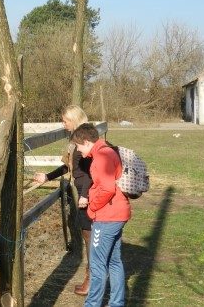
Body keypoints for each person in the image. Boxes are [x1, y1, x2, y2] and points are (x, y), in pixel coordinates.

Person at [32, 105, 92, 295]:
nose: (63, 123)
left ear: (74, 120)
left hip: (87, 192)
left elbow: (92, 169)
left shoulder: (85, 138)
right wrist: (48, 177)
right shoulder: (75, 138)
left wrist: (85, 194)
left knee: (89, 235)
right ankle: (94, 277)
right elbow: (68, 166)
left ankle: (92, 279)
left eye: (65, 120)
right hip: (82, 190)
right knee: (87, 234)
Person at [71, 123, 131, 307]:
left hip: (107, 217)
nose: (78, 150)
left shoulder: (100, 158)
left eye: (78, 146)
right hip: (118, 214)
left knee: (97, 265)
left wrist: (92, 208)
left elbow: (106, 188)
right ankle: (117, 303)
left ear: (87, 141)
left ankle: (92, 304)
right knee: (114, 261)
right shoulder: (108, 151)